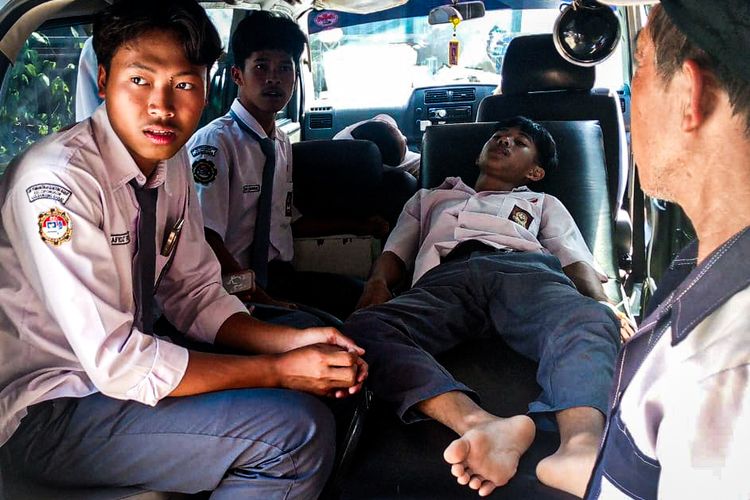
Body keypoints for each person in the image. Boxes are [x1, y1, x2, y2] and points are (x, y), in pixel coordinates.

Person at [0, 1, 367, 498]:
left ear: (206, 89)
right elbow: (118, 363)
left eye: (184, 85)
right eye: (140, 80)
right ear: (104, 81)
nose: (162, 106)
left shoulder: (167, 165)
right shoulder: (59, 183)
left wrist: (290, 344)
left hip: (117, 375)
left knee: (326, 370)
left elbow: (194, 293)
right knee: (294, 436)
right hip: (48, 407)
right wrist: (279, 371)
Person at [345, 116, 625, 498]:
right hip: (446, 279)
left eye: (520, 142)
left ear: (535, 171)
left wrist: (603, 303)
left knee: (590, 318)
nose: (505, 141)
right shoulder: (429, 198)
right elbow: (396, 250)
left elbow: (574, 258)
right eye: (499, 136)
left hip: (524, 272)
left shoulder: (541, 202)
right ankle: (480, 425)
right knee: (361, 329)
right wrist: (377, 283)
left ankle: (580, 449)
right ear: (478, 154)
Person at [584, 1, 750, 499]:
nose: (631, 96)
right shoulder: (702, 270)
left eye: (639, 63)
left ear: (689, 95)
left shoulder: (723, 378)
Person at [188, 11, 384, 320]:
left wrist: (361, 226)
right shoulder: (214, 144)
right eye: (261, 66)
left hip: (279, 277)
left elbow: (283, 221)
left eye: (284, 68)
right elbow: (204, 240)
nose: (273, 78)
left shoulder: (279, 142)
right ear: (238, 75)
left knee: (371, 304)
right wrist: (262, 297)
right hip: (229, 287)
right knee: (326, 328)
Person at [333, 113, 421, 178]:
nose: (406, 138)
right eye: (404, 148)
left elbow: (384, 119)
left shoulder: (340, 141)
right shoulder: (390, 167)